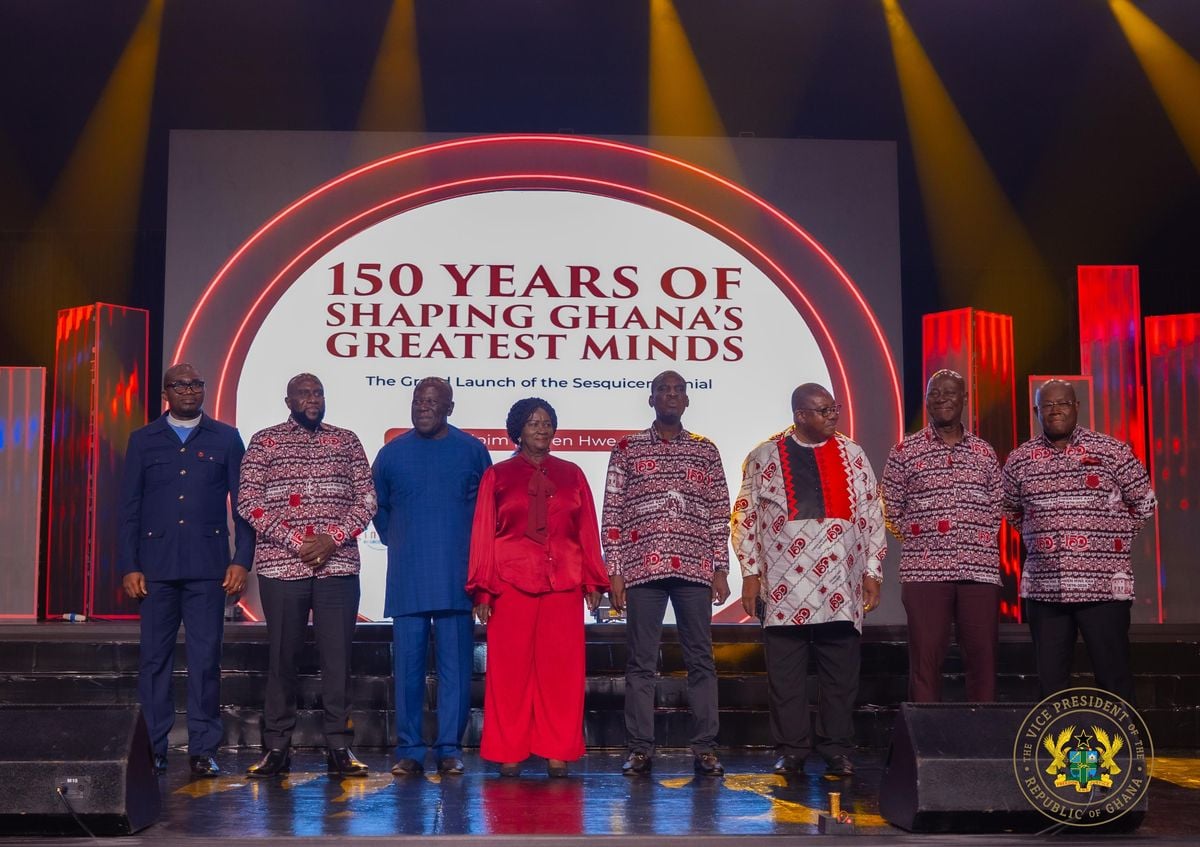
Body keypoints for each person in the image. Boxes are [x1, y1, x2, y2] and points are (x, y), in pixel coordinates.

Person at [732, 383, 885, 778]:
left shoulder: (853, 454)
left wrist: (872, 570)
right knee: (786, 677)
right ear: (800, 415)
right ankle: (792, 750)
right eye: (823, 410)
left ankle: (836, 749)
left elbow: (870, 514)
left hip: (840, 584)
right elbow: (746, 518)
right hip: (784, 585)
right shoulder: (765, 456)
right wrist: (750, 574)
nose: (833, 416)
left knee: (840, 675)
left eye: (834, 409)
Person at [237, 373, 377, 777]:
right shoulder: (266, 441)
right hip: (283, 567)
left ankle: (339, 747)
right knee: (283, 658)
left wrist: (331, 540)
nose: (312, 399)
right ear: (288, 400)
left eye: (318, 392)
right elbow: (248, 501)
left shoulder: (346, 440)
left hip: (338, 566)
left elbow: (367, 499)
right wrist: (298, 542)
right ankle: (277, 747)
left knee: (338, 660)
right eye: (304, 393)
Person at [118, 364, 254, 778]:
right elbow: (129, 510)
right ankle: (153, 747)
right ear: (166, 392)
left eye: (196, 384)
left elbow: (244, 506)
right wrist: (130, 565)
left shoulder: (226, 438)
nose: (190, 391)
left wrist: (240, 560)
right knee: (154, 660)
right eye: (181, 385)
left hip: (208, 567)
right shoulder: (143, 440)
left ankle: (202, 749)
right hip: (155, 568)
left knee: (205, 660)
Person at [466, 397, 608, 777]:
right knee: (509, 671)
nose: (542, 429)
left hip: (563, 582)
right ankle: (509, 749)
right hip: (511, 582)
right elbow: (483, 534)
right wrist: (483, 589)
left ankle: (556, 749)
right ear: (517, 430)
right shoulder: (497, 476)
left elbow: (586, 531)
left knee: (561, 671)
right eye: (533, 423)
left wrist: (594, 579)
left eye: (547, 422)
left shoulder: (572, 474)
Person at [602, 370, 730, 777]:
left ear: (688, 401)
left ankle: (705, 748)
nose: (671, 396)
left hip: (694, 568)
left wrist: (721, 568)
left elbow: (717, 512)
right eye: (663, 390)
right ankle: (640, 748)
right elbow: (613, 512)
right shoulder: (627, 448)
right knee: (641, 663)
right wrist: (615, 572)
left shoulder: (705, 451)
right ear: (651, 399)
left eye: (678, 391)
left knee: (701, 661)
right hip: (641, 568)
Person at [1001, 379, 1156, 703]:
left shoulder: (1112, 451)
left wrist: (1111, 539)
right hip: (1045, 590)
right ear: (1036, 411)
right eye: (1048, 405)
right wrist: (1038, 534)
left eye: (1063, 403)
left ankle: (1121, 751)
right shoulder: (1020, 460)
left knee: (1113, 676)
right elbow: (1011, 509)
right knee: (1051, 683)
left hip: (1103, 590)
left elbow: (1145, 503)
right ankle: (1054, 750)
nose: (1056, 410)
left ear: (1077, 407)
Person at [372, 377, 491, 777]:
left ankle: (449, 749)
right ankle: (409, 750)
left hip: (458, 580)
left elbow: (485, 516)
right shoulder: (391, 454)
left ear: (450, 409)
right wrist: (402, 541)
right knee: (406, 670)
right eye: (417, 401)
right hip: (408, 579)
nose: (423, 407)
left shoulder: (472, 451)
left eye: (432, 402)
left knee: (455, 671)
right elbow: (379, 508)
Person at [880, 369, 1002, 702]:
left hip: (979, 571)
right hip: (925, 571)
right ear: (926, 400)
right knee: (925, 659)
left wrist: (973, 539)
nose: (942, 399)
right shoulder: (905, 452)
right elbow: (890, 508)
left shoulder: (984, 452)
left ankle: (981, 738)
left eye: (950, 393)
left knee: (982, 657)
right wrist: (924, 540)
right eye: (934, 393)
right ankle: (925, 741)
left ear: (964, 399)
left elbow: (997, 505)